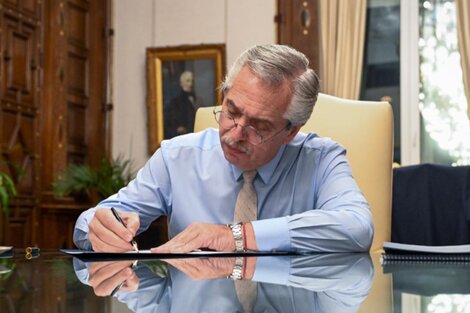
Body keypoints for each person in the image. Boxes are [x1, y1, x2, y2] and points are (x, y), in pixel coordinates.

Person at [73, 44, 373, 254]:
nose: (235, 133)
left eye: (259, 125)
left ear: (291, 131)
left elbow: (357, 228)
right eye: (231, 111)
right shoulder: (177, 157)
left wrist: (236, 236)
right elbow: (91, 222)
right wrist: (102, 230)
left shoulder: (321, 159)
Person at [164, 70, 202, 138]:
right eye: (187, 81)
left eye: (192, 81)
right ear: (181, 83)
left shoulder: (198, 100)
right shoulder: (175, 103)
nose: (190, 84)